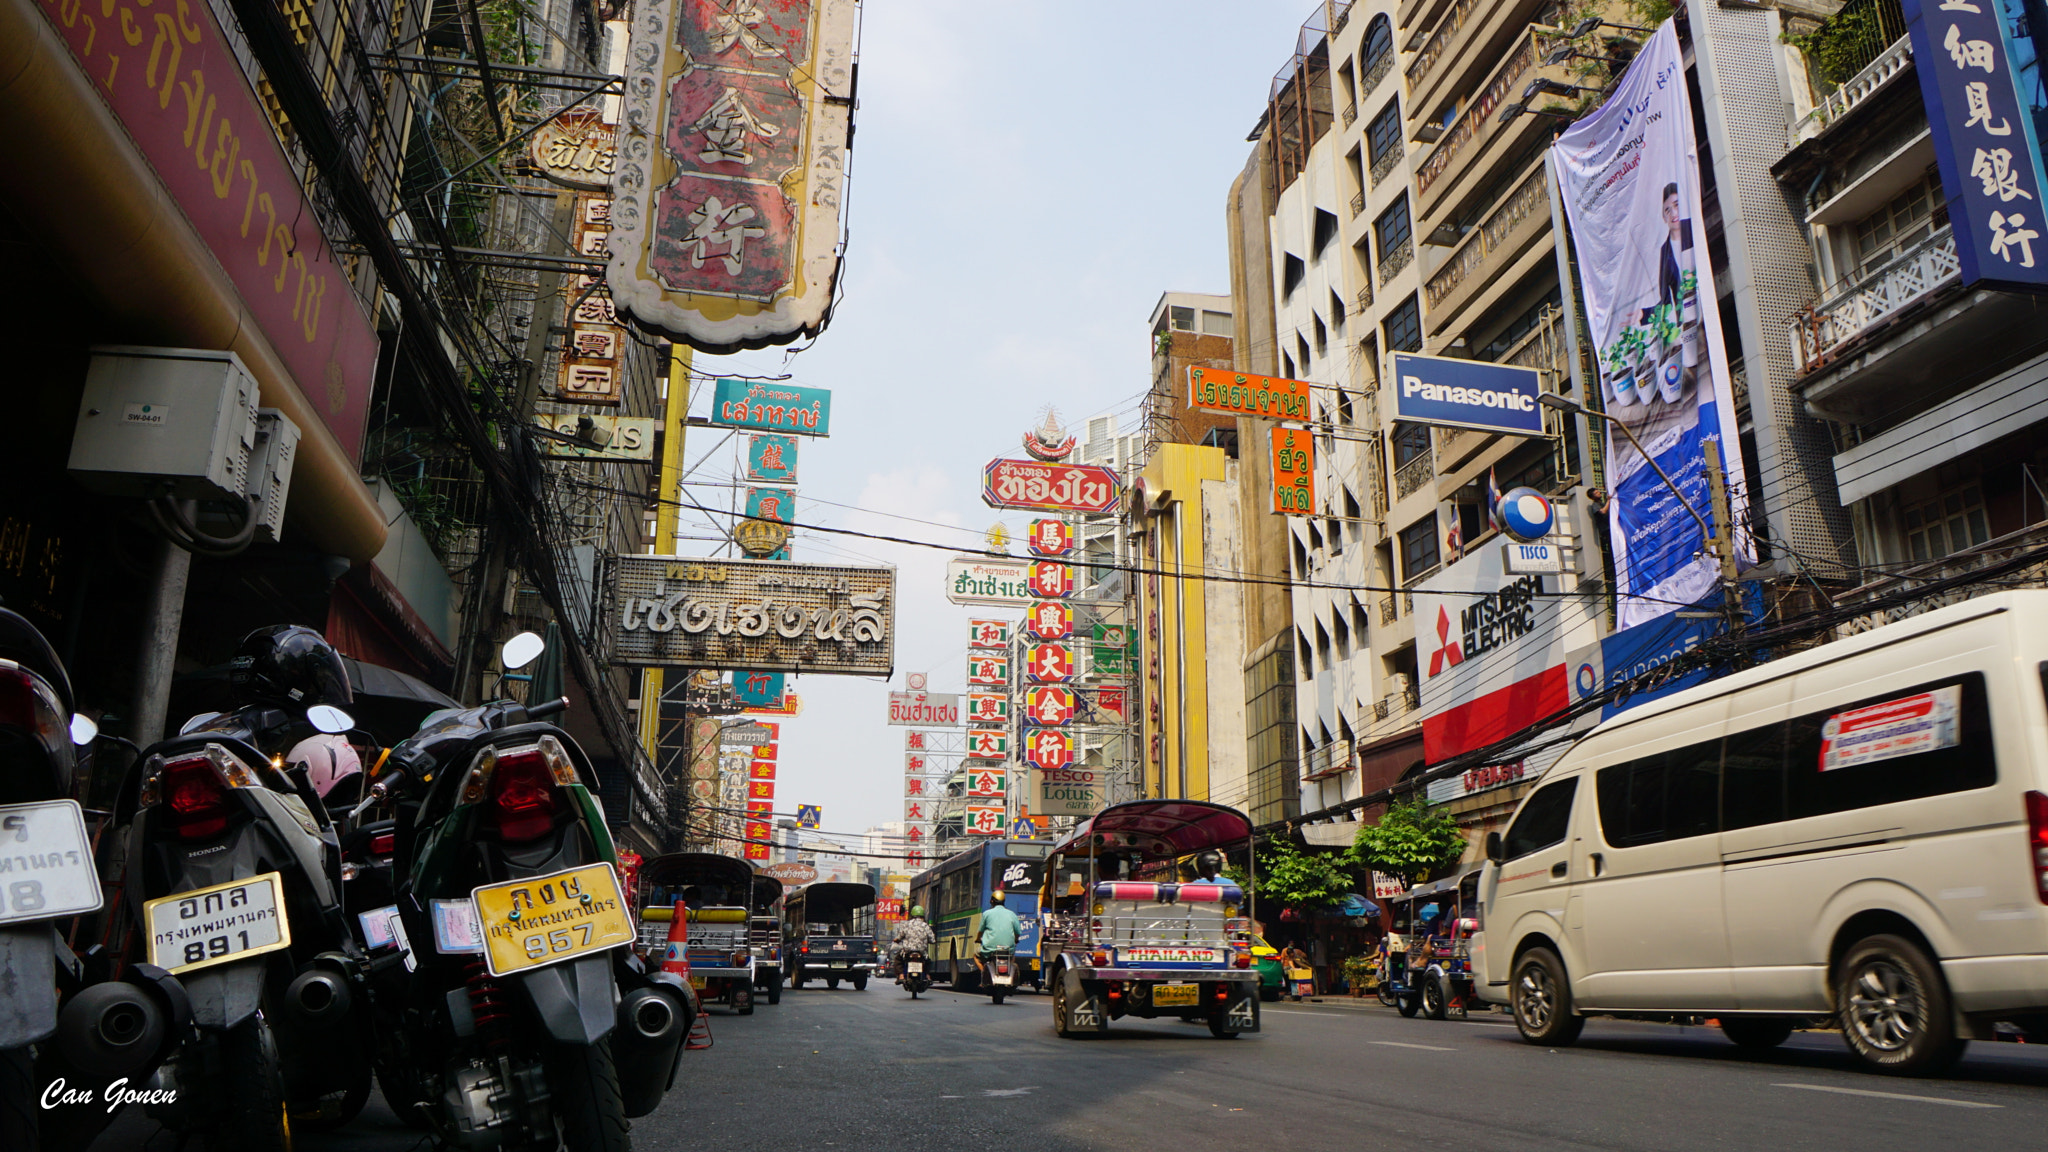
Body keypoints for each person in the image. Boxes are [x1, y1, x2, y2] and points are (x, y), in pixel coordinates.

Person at [891, 904, 935, 982]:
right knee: (928, 961)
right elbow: (932, 939)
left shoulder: (906, 924)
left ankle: (901, 975)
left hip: (908, 950)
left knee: (898, 959)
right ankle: (927, 975)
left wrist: (896, 940)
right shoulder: (925, 926)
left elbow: (899, 936)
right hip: (922, 951)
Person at [978, 890, 1022, 957]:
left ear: (992, 901)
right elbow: (1017, 933)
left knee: (976, 955)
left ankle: (982, 968)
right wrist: (1015, 940)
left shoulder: (986, 914)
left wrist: (978, 939)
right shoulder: (1012, 914)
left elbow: (980, 931)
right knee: (1012, 958)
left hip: (990, 950)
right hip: (1008, 950)